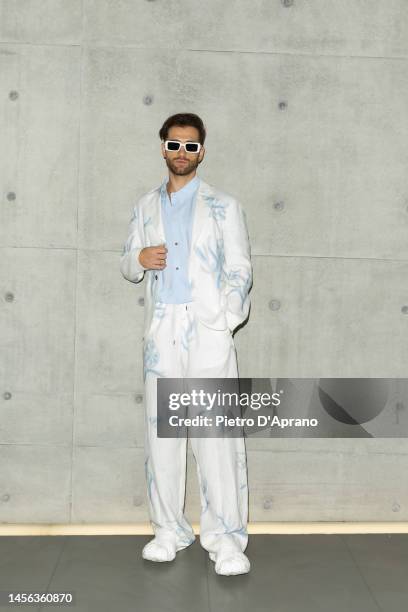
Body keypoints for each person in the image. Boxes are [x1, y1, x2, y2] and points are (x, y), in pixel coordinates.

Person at [120, 113, 253, 576]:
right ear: (162, 148)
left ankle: (227, 539)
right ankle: (168, 530)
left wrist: (223, 317)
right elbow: (128, 263)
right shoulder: (144, 206)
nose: (182, 153)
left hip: (207, 329)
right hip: (162, 334)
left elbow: (240, 269)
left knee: (215, 436)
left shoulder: (224, 206)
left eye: (191, 146)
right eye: (174, 145)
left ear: (202, 151)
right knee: (163, 435)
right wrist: (138, 257)